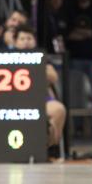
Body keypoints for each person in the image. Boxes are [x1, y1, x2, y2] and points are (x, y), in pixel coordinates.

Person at [13, 25, 66, 153]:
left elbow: (53, 77)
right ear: (15, 42)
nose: (26, 41)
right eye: (22, 38)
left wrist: (35, 64)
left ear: (34, 41)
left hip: (40, 100)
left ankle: (48, 148)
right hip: (13, 101)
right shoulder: (4, 58)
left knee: (58, 109)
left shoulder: (42, 58)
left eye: (29, 38)